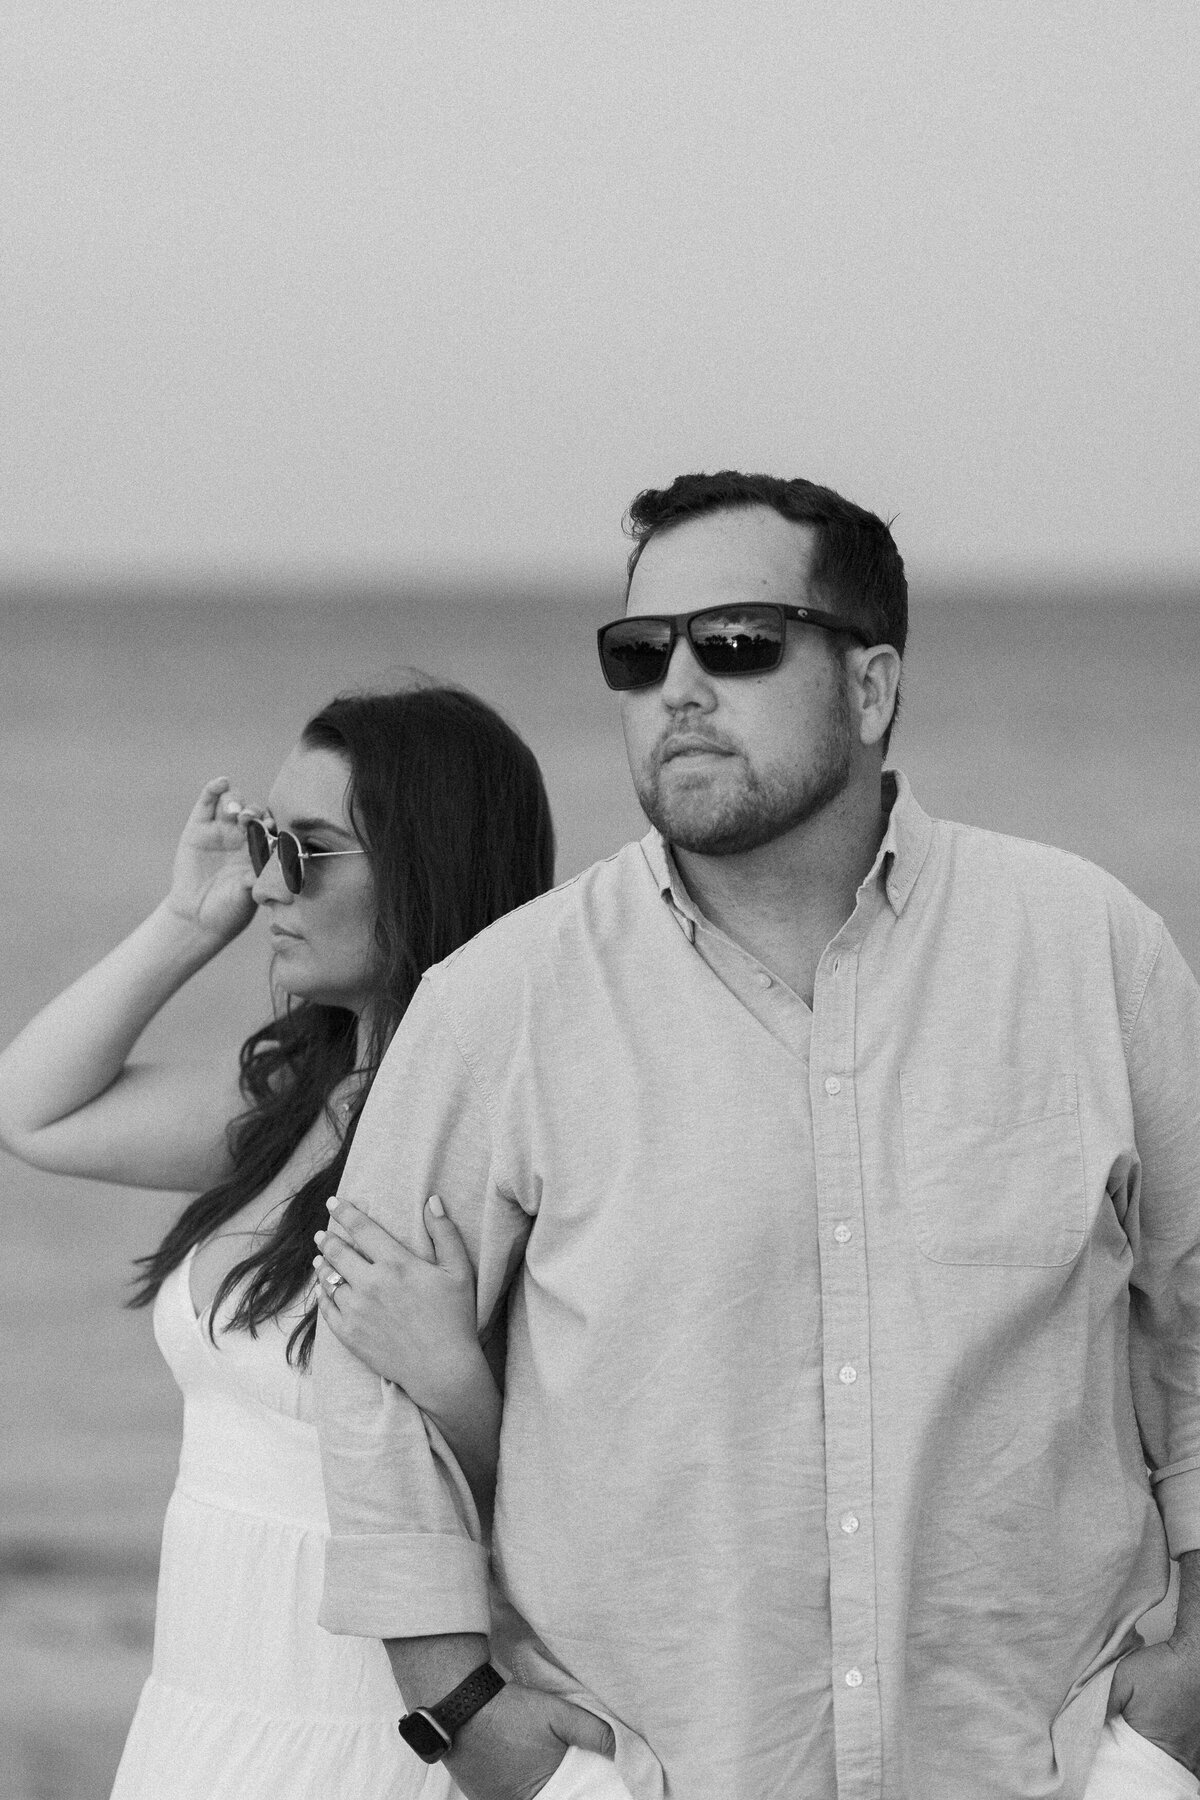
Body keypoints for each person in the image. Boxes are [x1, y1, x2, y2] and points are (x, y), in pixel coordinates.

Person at [312, 473, 1200, 1800]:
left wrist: (1181, 1701)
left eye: (735, 644)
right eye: (637, 653)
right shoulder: (499, 1006)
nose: (677, 687)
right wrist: (469, 1718)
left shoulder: (1089, 951)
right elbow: (373, 1385)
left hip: (1050, 1768)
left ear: (871, 685)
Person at [0, 685, 555, 1800]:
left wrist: (449, 1372)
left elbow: (587, 1493)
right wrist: (181, 926)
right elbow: (31, 1111)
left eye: (307, 853)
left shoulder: (507, 1128)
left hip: (359, 1724)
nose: (266, 886)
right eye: (266, 844)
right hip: (199, 1711)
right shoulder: (299, 1102)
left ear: (426, 865)